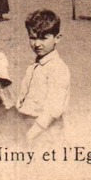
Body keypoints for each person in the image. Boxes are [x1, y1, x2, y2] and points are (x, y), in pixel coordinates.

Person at [16, 9, 70, 142]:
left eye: (43, 38)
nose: (37, 44)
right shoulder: (35, 66)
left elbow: (53, 110)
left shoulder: (58, 68)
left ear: (57, 38)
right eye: (33, 38)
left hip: (44, 131)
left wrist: (30, 135)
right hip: (26, 124)